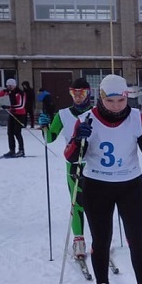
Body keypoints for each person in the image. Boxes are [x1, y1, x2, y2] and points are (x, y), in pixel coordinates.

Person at [64, 74, 142, 284]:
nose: (116, 107)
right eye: (110, 102)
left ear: (126, 97)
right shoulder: (85, 119)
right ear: (101, 98)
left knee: (137, 239)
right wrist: (80, 138)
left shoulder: (136, 118)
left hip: (130, 185)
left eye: (120, 101)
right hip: (97, 185)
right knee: (101, 241)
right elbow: (70, 156)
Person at [41, 78, 94, 259]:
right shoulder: (63, 114)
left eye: (82, 93)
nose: (78, 97)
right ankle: (79, 240)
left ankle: (100, 240)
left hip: (96, 165)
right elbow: (49, 138)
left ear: (89, 93)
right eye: (74, 93)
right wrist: (45, 125)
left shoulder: (97, 112)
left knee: (98, 205)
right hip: (74, 164)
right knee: (77, 203)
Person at [0, 78, 26, 157]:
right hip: (12, 114)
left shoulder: (20, 93)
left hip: (20, 114)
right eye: (7, 86)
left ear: (14, 85)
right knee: (10, 132)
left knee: (17, 132)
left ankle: (21, 150)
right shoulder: (10, 92)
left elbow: (21, 105)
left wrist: (9, 107)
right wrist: (4, 91)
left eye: (10, 86)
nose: (9, 87)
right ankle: (12, 150)